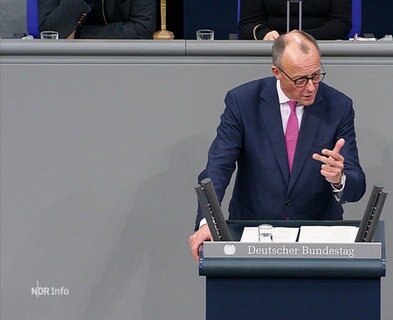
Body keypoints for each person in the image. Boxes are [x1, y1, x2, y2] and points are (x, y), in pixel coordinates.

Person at [188, 30, 366, 260]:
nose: (311, 87)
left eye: (316, 75)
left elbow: (357, 185)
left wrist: (339, 179)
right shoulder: (243, 102)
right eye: (301, 80)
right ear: (277, 73)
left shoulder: (338, 106)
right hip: (254, 232)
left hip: (318, 239)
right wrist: (207, 221)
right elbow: (218, 167)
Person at [238, 0, 352, 40]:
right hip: (273, 47)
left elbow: (342, 23)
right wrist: (263, 34)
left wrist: (303, 37)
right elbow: (247, 24)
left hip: (320, 44)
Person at [38, 0, 155, 39]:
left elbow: (142, 30)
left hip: (126, 61)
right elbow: (51, 33)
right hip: (72, 63)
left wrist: (78, 33)